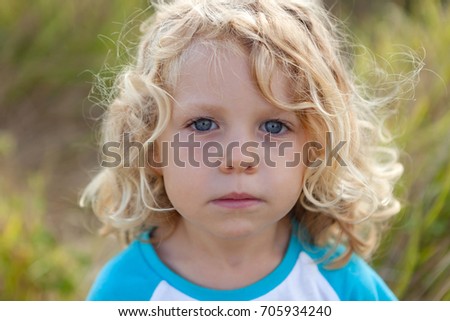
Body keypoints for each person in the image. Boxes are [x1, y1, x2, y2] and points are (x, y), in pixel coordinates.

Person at [81, 0, 407, 300]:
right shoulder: (123, 292)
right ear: (151, 148)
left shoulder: (340, 284)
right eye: (204, 124)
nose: (238, 158)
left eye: (274, 127)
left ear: (315, 151)